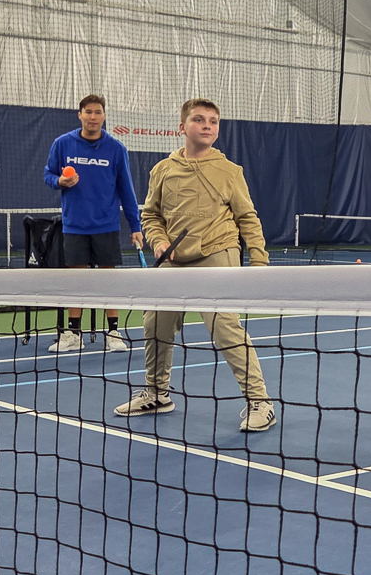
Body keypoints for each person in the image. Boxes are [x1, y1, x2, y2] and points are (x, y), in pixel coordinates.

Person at [113, 98, 276, 432]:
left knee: (223, 325)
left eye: (213, 121)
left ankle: (260, 401)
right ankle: (157, 393)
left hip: (219, 251)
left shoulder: (230, 172)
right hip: (175, 258)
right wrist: (158, 240)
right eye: (199, 120)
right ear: (182, 127)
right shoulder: (163, 170)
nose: (207, 125)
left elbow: (248, 218)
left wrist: (259, 262)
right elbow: (151, 214)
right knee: (155, 321)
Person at [44, 94, 143, 353]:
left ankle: (113, 332)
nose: (93, 117)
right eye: (88, 112)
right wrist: (59, 182)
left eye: (98, 112)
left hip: (106, 225)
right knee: (77, 279)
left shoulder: (116, 149)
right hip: (74, 225)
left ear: (104, 116)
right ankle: (73, 333)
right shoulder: (62, 144)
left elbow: (127, 190)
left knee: (108, 280)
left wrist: (136, 226)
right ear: (80, 115)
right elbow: (48, 174)